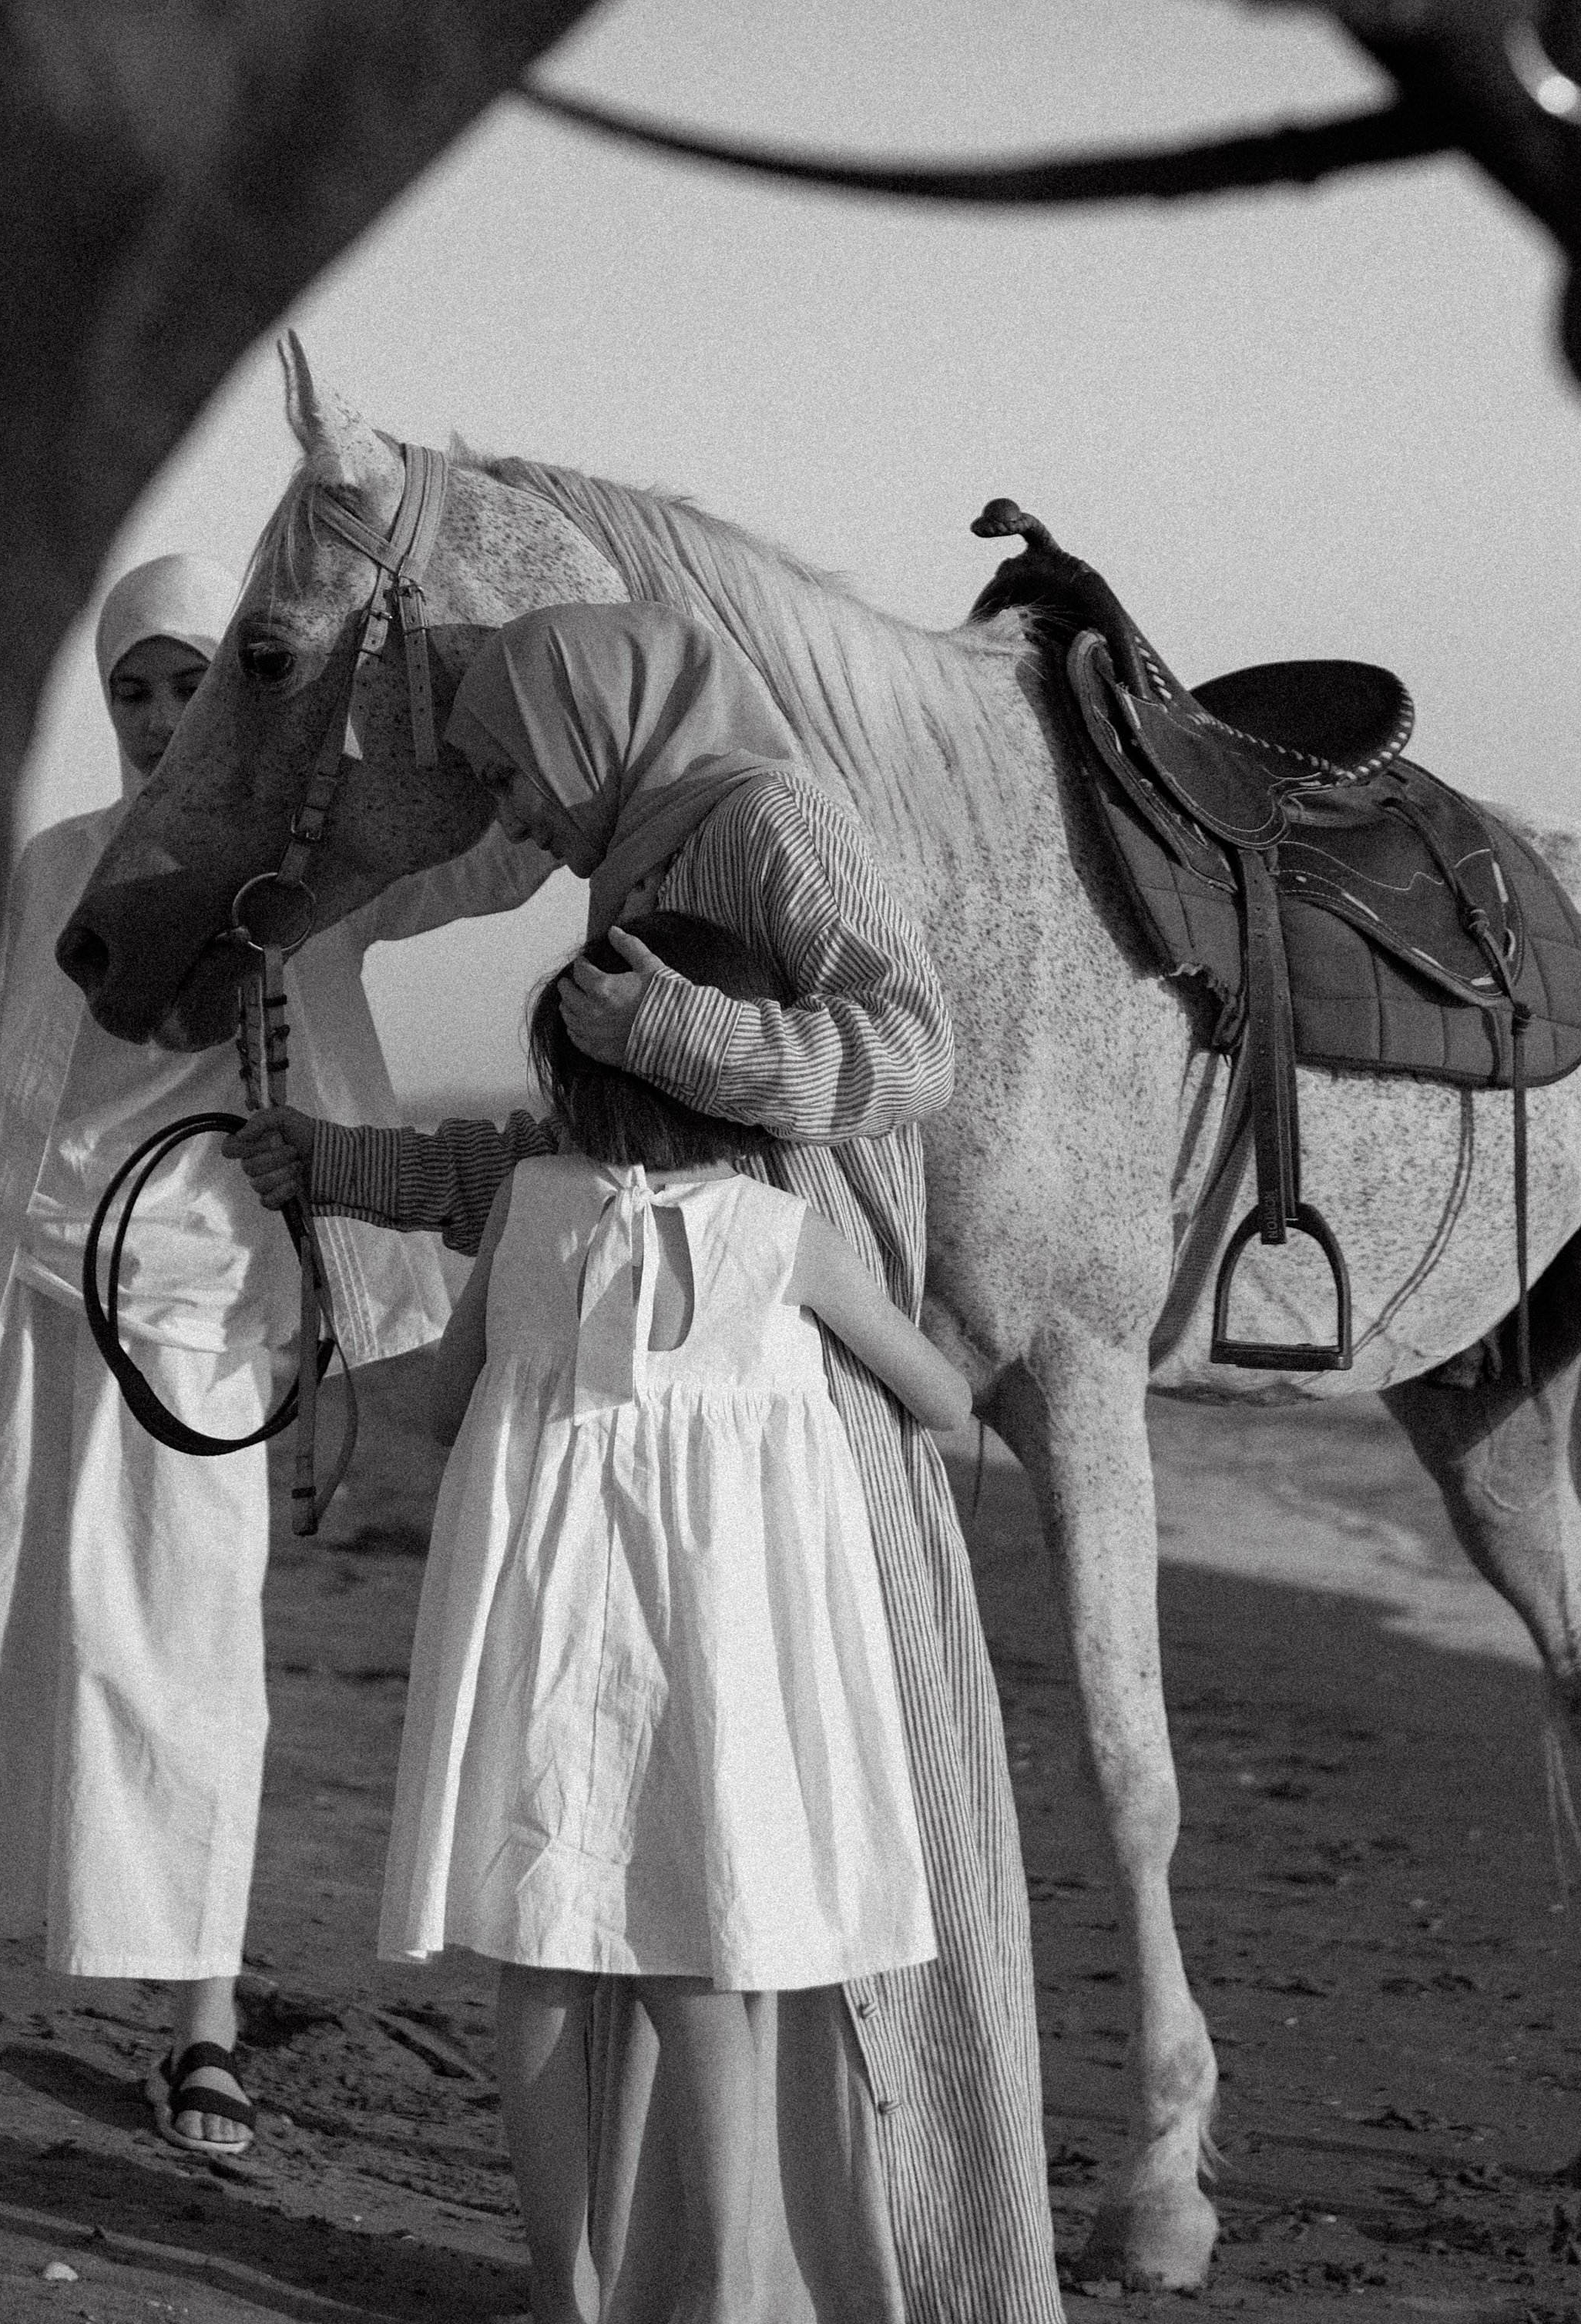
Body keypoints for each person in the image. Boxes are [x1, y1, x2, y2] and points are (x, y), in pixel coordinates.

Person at [230, 602, 1061, 2322]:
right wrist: (342, 1166)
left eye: (512, 763)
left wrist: (666, 1036)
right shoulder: (650, 903)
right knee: (730, 1928)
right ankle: (733, 2278)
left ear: (593, 713)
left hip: (619, 1553)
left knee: (580, 1930)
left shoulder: (767, 822)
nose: (511, 808)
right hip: (742, 1535)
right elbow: (930, 1384)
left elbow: (908, 1056)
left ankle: (649, 2282)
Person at [0, 555, 545, 2151]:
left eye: (187, 685)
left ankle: (197, 2024)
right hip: (19, 1296)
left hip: (205, 1317)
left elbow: (490, 861)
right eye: (132, 688)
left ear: (235, 700)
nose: (154, 717)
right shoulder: (58, 862)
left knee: (175, 1659)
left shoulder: (308, 870)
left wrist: (446, 672)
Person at [385, 911, 970, 2324]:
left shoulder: (533, 1207)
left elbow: (437, 1395)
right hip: (711, 1637)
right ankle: (721, 2286)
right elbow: (943, 1398)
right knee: (702, 1951)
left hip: (543, 1612)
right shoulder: (785, 1237)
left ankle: (563, 2284)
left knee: (542, 1944)